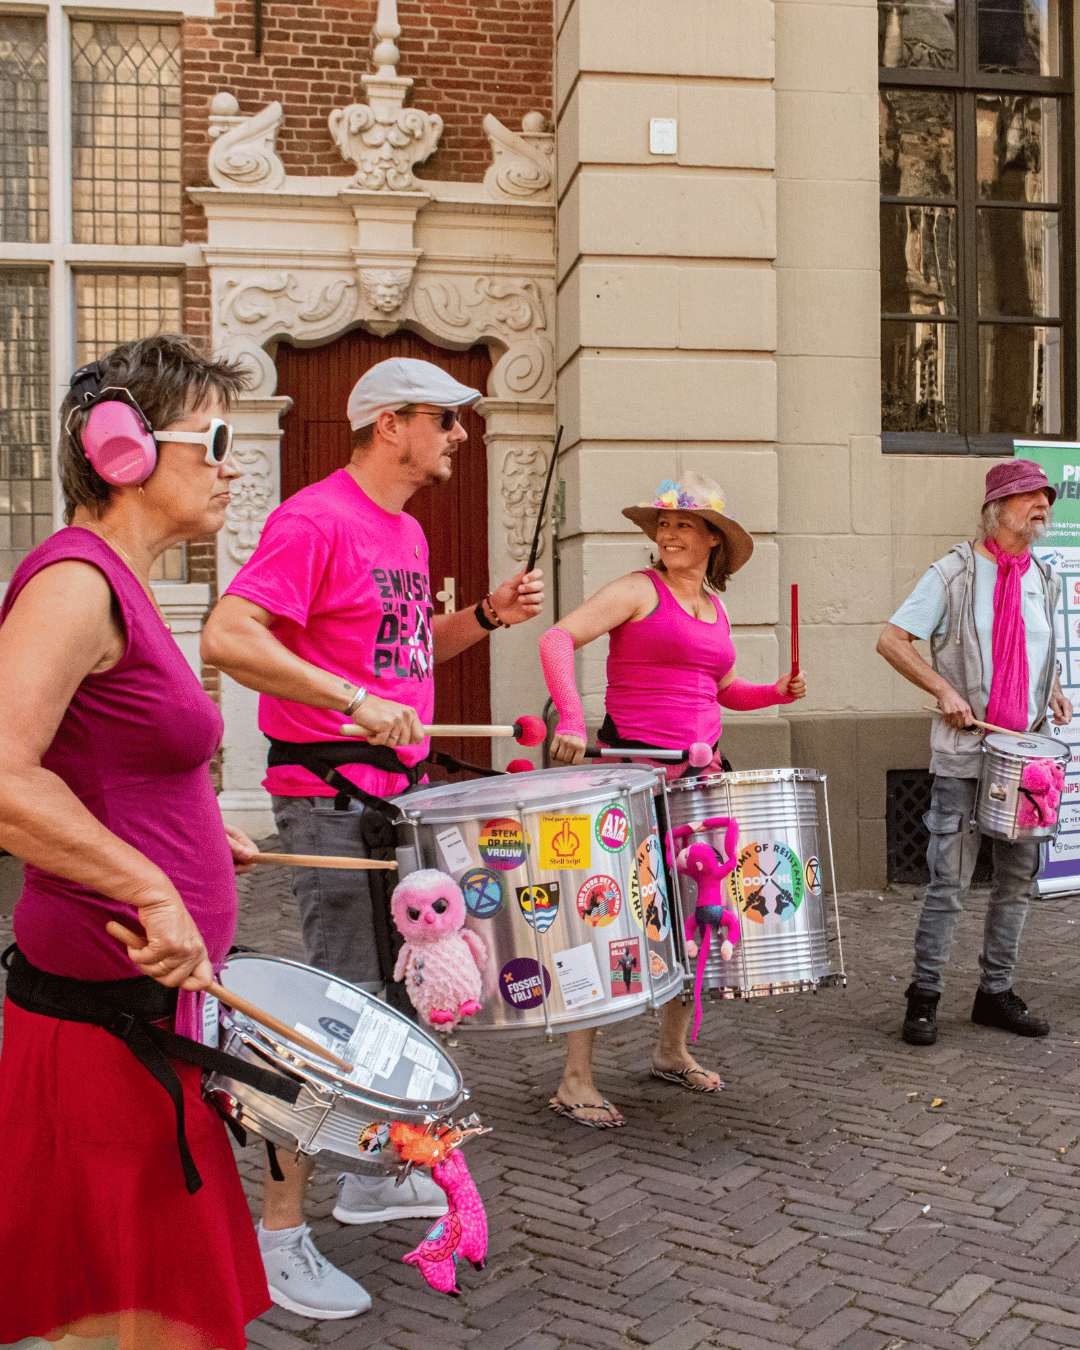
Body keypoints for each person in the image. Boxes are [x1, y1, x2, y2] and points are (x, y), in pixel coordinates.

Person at [201, 356, 544, 1319]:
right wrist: (353, 702)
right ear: (391, 423)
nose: (459, 437)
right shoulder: (315, 518)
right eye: (445, 420)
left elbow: (402, 651)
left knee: (393, 1005)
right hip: (329, 796)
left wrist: (482, 617)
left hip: (398, 801)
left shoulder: (398, 528)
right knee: (335, 1017)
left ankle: (367, 1177)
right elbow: (229, 637)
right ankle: (280, 1237)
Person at [0, 336, 269, 1350]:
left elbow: (110, 762)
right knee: (119, 1325)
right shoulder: (75, 581)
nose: (232, 464)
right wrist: (150, 885)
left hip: (149, 1021)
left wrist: (198, 833)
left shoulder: (121, 579)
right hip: (100, 1035)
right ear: (125, 451)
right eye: (216, 440)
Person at [538, 471, 806, 1127]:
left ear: (714, 538)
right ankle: (575, 1079)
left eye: (684, 523)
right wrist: (570, 718)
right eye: (663, 523)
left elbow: (723, 687)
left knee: (692, 921)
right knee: (608, 922)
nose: (669, 533)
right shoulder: (637, 589)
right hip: (629, 781)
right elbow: (556, 639)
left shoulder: (715, 609)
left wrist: (774, 693)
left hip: (697, 783)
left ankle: (670, 1049)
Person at [877, 459, 1072, 1047]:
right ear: (996, 510)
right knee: (950, 882)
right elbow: (892, 640)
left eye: (1046, 498)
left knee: (1016, 880)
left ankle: (995, 993)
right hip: (967, 755)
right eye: (1028, 498)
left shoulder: (1044, 575)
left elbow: (1037, 649)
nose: (1042, 506)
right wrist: (942, 688)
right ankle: (925, 995)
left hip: (1026, 759)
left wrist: (1054, 688)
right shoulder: (954, 574)